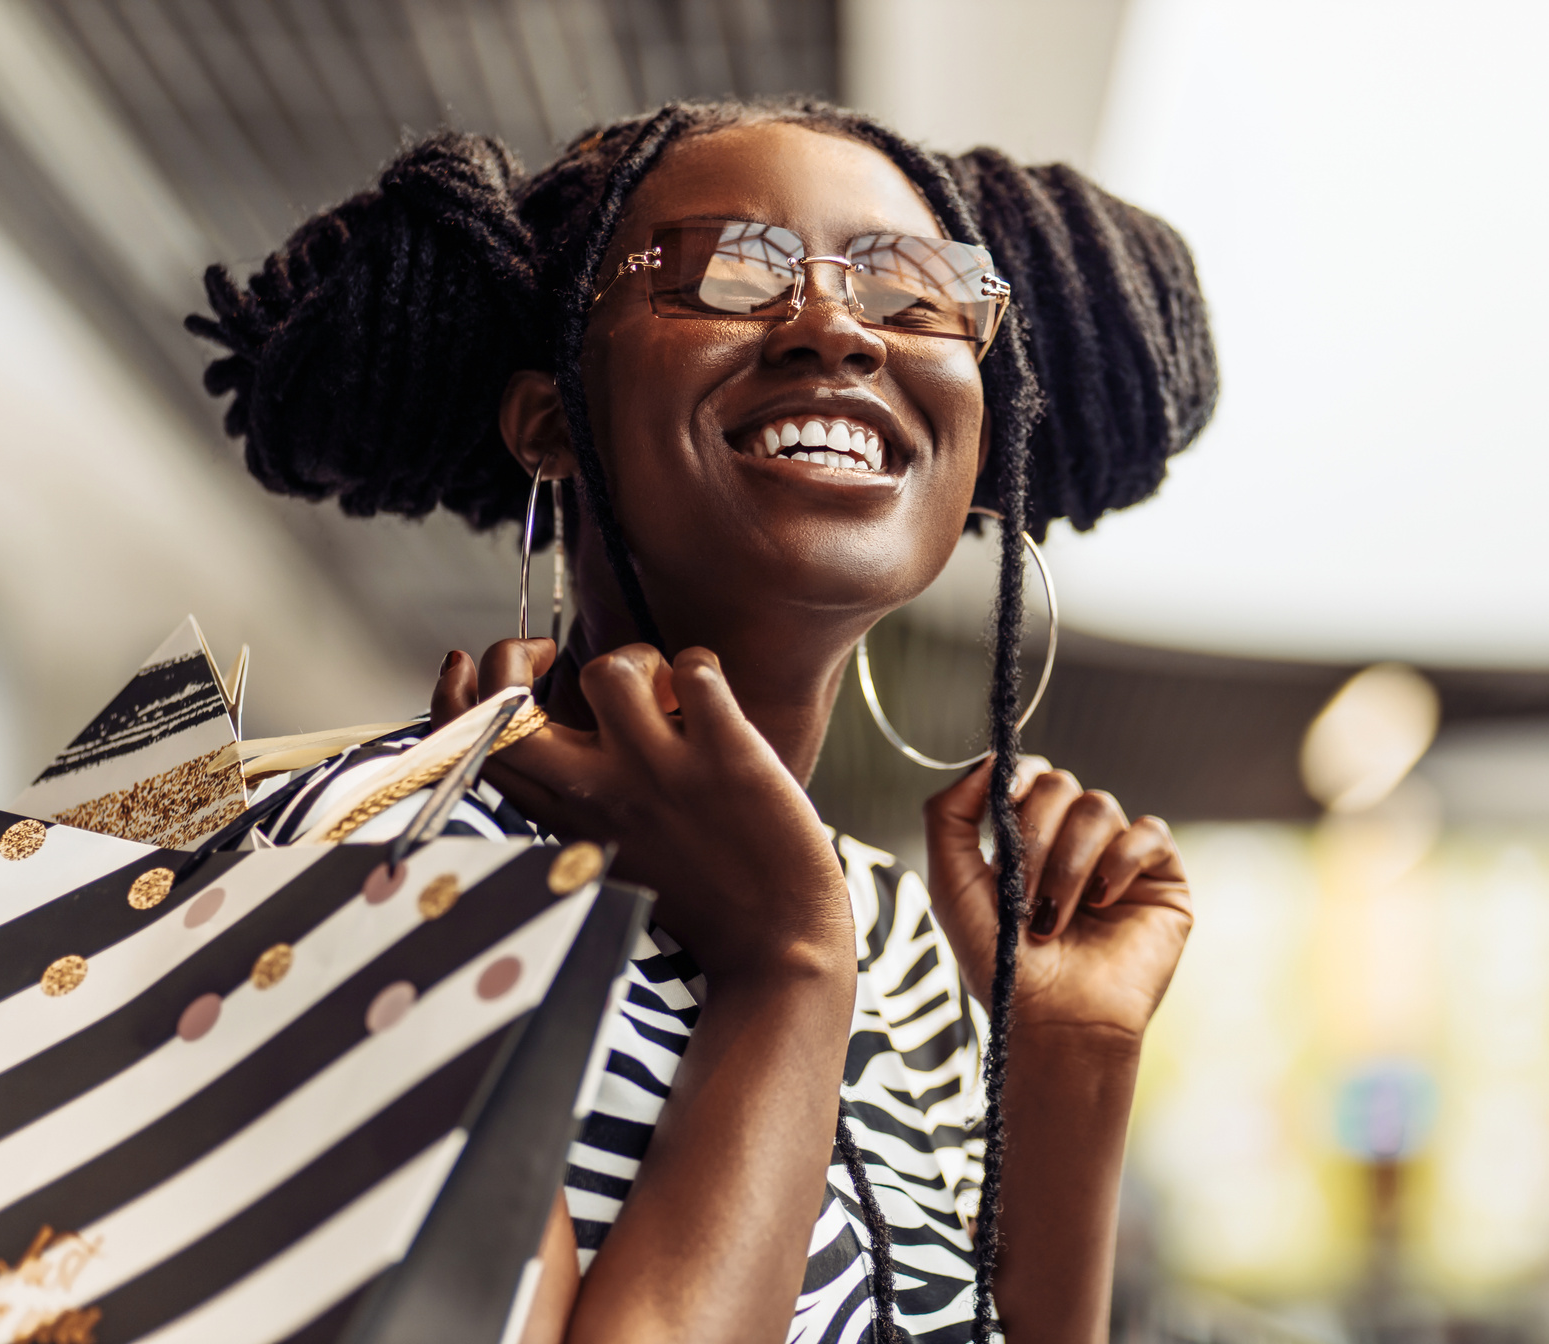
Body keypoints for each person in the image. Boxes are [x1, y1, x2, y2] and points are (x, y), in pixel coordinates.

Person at [188, 97, 1217, 1344]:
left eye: (916, 290)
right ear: (552, 424)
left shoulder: (899, 940)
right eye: (729, 273)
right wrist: (781, 962)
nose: (836, 327)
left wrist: (1075, 1056)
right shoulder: (363, 861)